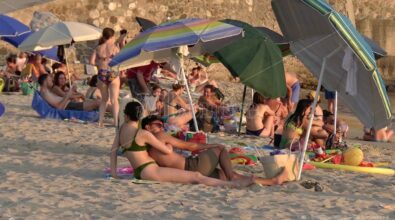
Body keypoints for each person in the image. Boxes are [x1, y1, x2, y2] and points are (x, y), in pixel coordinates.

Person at [110, 101, 253, 187]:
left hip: (139, 171)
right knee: (196, 177)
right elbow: (166, 150)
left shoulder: (121, 129)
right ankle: (233, 185)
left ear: (125, 114)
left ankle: (232, 182)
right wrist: (170, 146)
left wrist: (114, 173)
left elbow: (113, 151)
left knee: (197, 176)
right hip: (149, 170)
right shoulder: (143, 134)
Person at [141, 115, 289, 185]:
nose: (161, 127)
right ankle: (232, 178)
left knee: (226, 174)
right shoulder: (159, 136)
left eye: (162, 124)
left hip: (188, 171)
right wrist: (212, 146)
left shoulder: (146, 146)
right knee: (221, 149)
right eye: (157, 124)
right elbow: (190, 146)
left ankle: (272, 181)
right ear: (147, 127)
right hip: (192, 166)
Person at [90, 27, 120, 127]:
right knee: (114, 100)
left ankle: (100, 122)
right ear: (112, 36)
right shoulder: (115, 48)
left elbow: (91, 62)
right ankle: (115, 122)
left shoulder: (98, 48)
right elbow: (120, 60)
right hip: (112, 73)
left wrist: (99, 63)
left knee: (104, 100)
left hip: (102, 73)